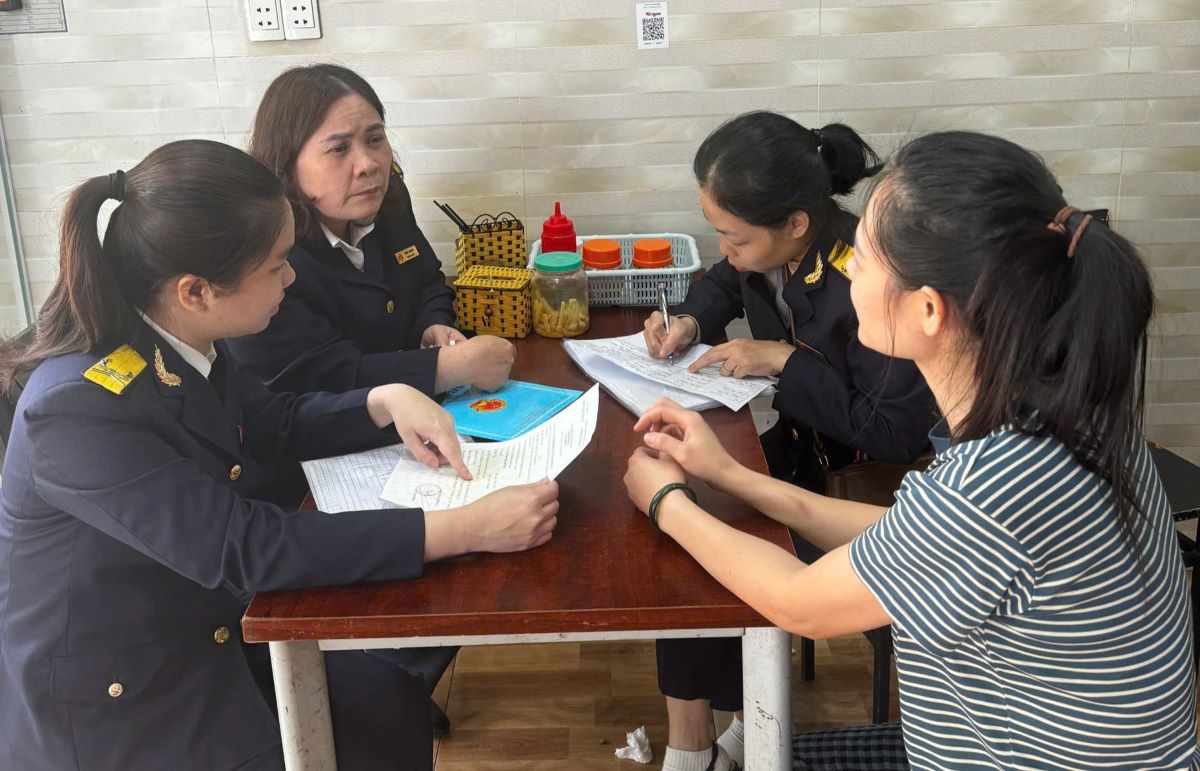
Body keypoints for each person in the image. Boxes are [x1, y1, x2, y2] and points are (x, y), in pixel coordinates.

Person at [624, 131, 1199, 770]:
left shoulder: (990, 486)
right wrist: (733, 476)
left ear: (928, 310)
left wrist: (666, 503)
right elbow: (902, 534)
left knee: (763, 757)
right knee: (766, 749)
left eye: (862, 258)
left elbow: (800, 604)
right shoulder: (1075, 416)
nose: (848, 269)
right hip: (1004, 749)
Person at [0, 140, 560, 771]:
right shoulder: (77, 406)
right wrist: (461, 528)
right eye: (276, 266)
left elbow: (273, 422)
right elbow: (242, 546)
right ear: (196, 291)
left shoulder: (180, 337)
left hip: (207, 629)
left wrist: (384, 400)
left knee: (385, 699)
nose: (291, 279)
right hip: (121, 700)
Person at [642, 111, 935, 769]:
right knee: (686, 516)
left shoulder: (865, 277)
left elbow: (893, 431)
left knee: (709, 529)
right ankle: (704, 742)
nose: (726, 249)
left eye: (734, 237)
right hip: (802, 451)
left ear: (795, 224)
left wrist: (782, 361)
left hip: (865, 480)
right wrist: (690, 319)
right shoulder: (768, 250)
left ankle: (733, 737)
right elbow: (726, 279)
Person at [225, 63, 514, 398]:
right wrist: (446, 368)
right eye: (339, 148)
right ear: (287, 162)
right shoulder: (265, 251)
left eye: (375, 139)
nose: (369, 165)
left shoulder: (387, 198)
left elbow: (428, 282)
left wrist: (433, 327)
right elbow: (313, 374)